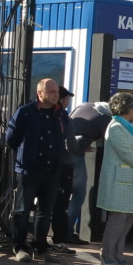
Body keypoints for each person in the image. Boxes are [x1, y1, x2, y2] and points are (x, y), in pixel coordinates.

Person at [5, 78, 68, 263]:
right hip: (29, 170)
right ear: (40, 94)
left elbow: (62, 138)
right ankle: (20, 246)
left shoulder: (61, 114)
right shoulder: (25, 112)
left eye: (57, 92)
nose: (56, 95)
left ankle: (41, 247)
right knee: (22, 210)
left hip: (52, 171)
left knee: (45, 212)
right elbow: (11, 139)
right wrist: (27, 154)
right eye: (52, 92)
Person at [97, 92, 133, 265]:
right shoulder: (115, 127)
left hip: (131, 179)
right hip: (118, 180)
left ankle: (118, 254)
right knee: (117, 220)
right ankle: (107, 254)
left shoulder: (129, 127)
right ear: (125, 108)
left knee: (127, 220)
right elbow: (126, 153)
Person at [66, 99, 111, 243]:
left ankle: (60, 230)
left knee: (63, 195)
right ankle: (67, 231)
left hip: (61, 153)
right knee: (79, 194)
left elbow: (77, 128)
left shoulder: (84, 106)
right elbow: (110, 140)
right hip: (75, 156)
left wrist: (85, 144)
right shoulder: (105, 118)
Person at [48, 87, 78, 255]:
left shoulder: (41, 114)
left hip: (44, 165)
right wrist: (80, 148)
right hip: (63, 165)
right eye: (66, 99)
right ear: (62, 99)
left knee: (44, 205)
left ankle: (39, 240)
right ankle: (59, 241)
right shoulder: (65, 117)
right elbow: (71, 145)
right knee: (61, 205)